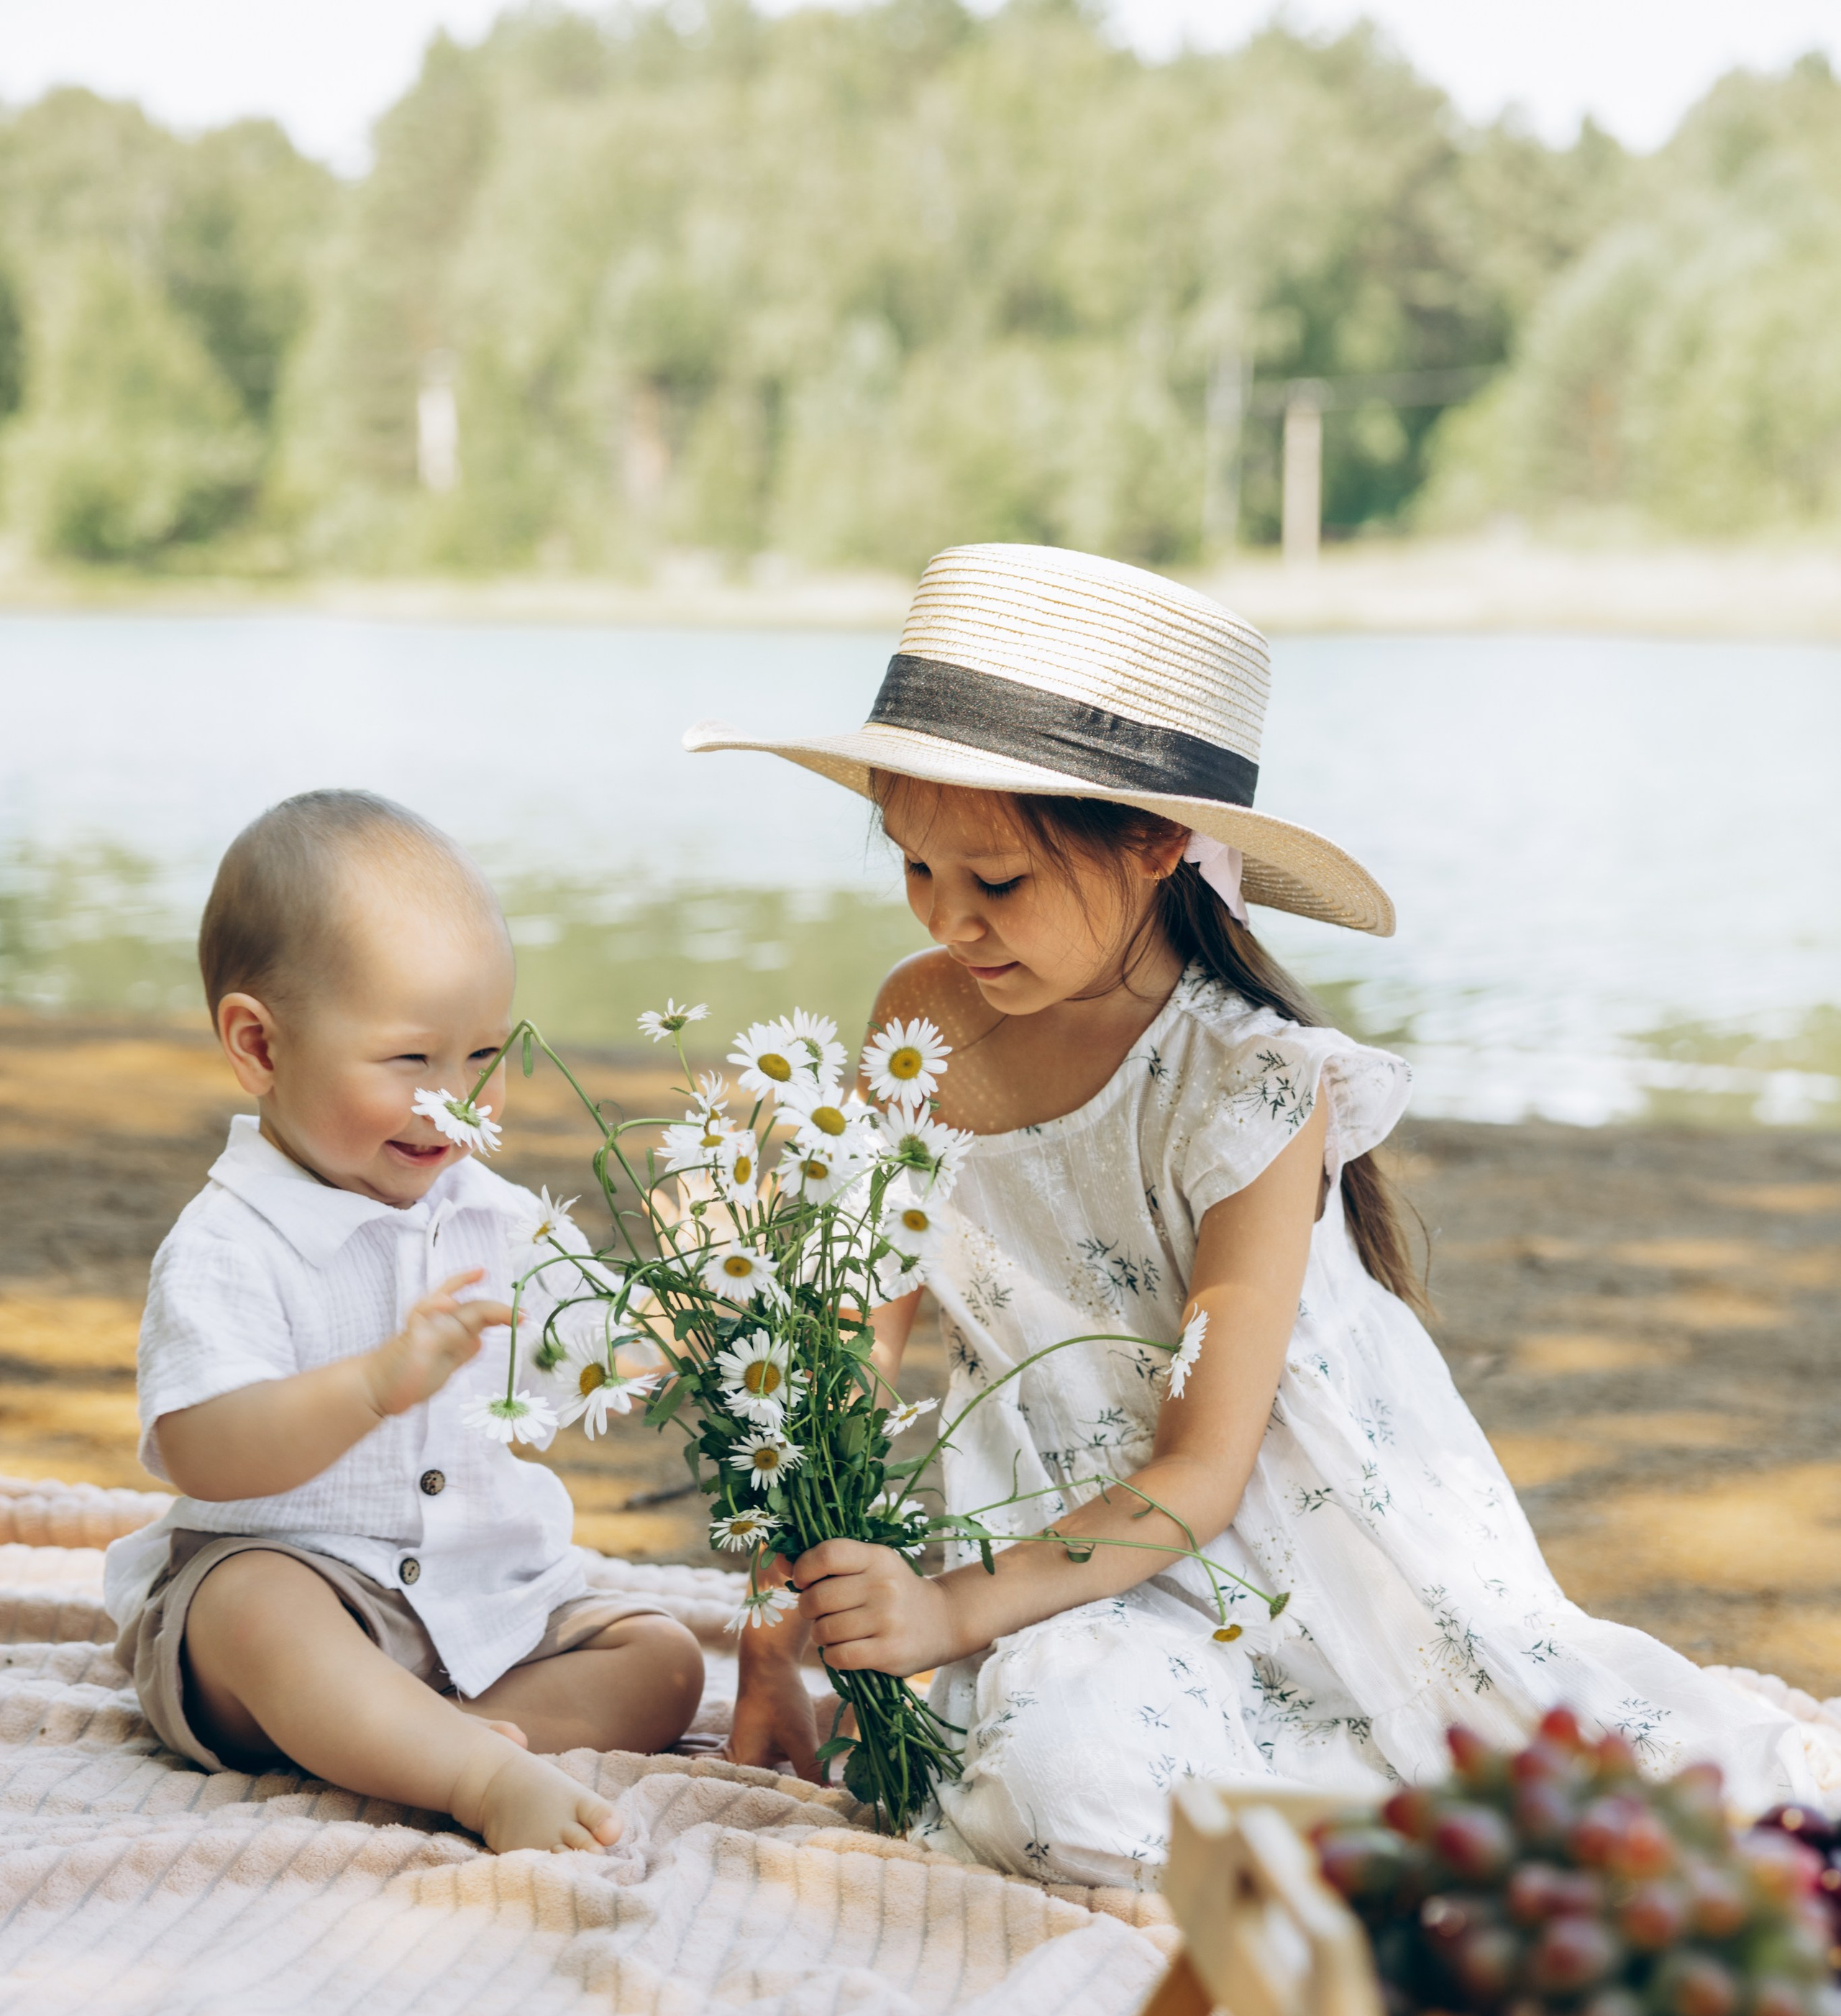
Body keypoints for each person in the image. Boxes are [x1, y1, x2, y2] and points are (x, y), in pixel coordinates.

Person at [693, 542, 1841, 1888]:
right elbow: (846, 1349)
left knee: (1185, 1788)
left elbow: (1202, 1473)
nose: (950, 921)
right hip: (1039, 1538)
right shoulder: (917, 1024)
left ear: (1158, 841)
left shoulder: (1247, 1088)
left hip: (1274, 1541)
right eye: (913, 868)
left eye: (995, 882)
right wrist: (777, 1634)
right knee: (1045, 1779)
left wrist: (949, 1609)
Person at [104, 789, 703, 1854]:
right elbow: (203, 1449)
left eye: (483, 1057)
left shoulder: (497, 1217)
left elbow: (600, 1361)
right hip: (303, 1590)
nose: (458, 1102)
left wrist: (683, 1295)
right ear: (259, 1047)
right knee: (250, 1612)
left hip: (478, 1602)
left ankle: (413, 1736)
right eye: (411, 1061)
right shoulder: (232, 1239)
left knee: (666, 1663)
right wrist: (371, 1387)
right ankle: (469, 1772)